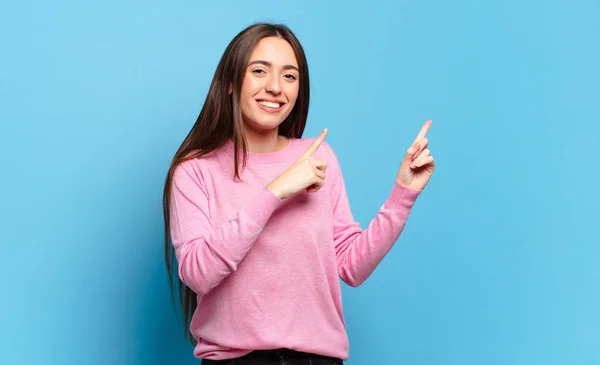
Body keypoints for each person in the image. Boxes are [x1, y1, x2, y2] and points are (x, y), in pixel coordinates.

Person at [162, 22, 435, 365]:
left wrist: (403, 194)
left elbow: (352, 266)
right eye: (260, 71)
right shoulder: (195, 170)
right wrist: (276, 190)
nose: (275, 87)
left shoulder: (319, 157)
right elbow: (198, 274)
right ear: (231, 82)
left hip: (317, 358)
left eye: (290, 76)